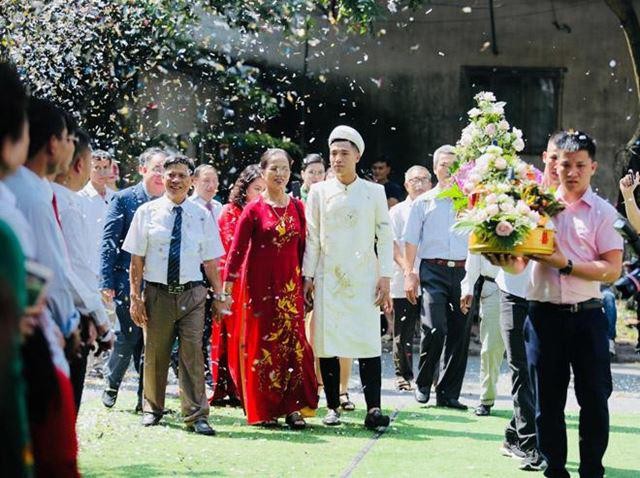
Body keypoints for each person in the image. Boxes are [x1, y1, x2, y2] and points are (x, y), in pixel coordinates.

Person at [492, 131, 622, 478]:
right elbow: (519, 265)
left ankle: (592, 469)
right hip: (543, 316)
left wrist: (565, 264)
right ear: (554, 165)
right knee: (547, 402)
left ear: (593, 167)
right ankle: (555, 470)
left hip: (588, 318)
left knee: (594, 398)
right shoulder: (533, 210)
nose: (572, 172)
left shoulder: (603, 213)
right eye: (565, 164)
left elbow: (611, 269)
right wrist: (501, 256)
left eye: (580, 165)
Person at [3, 94, 81, 477]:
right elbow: (52, 270)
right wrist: (69, 325)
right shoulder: (31, 193)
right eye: (68, 137)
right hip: (33, 339)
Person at [124, 154, 227, 435]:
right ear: (163, 177)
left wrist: (219, 296)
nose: (175, 180)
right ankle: (152, 409)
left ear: (191, 181)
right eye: (170, 174)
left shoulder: (202, 216)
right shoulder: (147, 212)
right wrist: (136, 297)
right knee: (156, 352)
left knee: (192, 352)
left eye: (182, 175)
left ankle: (196, 415)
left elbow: (210, 262)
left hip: (193, 294)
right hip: (157, 293)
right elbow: (137, 259)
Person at [303, 125, 393, 429]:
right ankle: (332, 405)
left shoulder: (374, 192)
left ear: (357, 155)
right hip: (328, 277)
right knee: (327, 342)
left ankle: (374, 408)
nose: (337, 159)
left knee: (368, 341)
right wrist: (307, 276)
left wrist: (385, 275)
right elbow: (312, 236)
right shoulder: (318, 192)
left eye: (343, 153)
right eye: (333, 153)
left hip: (365, 276)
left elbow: (385, 233)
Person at [224, 149, 318, 428]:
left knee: (292, 347)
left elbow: (304, 249)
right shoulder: (254, 209)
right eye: (273, 168)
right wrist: (226, 288)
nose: (280, 174)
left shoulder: (298, 207)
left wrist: (308, 281)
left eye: (285, 169)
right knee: (263, 349)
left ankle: (293, 408)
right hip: (259, 291)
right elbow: (237, 251)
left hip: (290, 291)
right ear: (263, 172)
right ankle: (264, 410)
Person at [100, 147, 169, 411]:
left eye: (165, 169)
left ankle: (145, 397)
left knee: (151, 341)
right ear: (143, 170)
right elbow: (109, 241)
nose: (161, 175)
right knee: (128, 336)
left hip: (158, 282)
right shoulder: (124, 199)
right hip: (125, 278)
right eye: (156, 169)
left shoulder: (170, 202)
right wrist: (106, 279)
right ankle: (112, 382)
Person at [403, 144, 471, 409]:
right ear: (435, 168)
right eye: (444, 164)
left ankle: (449, 392)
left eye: (454, 165)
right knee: (435, 327)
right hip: (433, 269)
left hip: (464, 270)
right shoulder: (423, 202)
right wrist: (409, 273)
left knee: (460, 331)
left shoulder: (470, 200)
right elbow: (410, 241)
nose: (449, 170)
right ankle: (423, 384)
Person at [52, 129, 114, 409]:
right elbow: (72, 267)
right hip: (65, 311)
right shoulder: (67, 203)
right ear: (80, 166)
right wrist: (99, 320)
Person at [210, 164, 265, 405]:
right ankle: (236, 387)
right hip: (235, 285)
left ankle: (256, 388)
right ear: (244, 189)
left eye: (264, 188)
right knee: (234, 338)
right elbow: (228, 252)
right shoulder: (230, 212)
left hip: (261, 283)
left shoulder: (269, 210)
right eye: (256, 188)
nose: (261, 193)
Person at [389, 165, 431, 391]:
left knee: (432, 329)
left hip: (432, 278)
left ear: (431, 184)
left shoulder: (435, 208)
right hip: (403, 277)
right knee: (403, 330)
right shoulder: (396, 212)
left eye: (423, 179)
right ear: (405, 185)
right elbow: (392, 244)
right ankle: (403, 374)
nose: (419, 183)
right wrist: (408, 271)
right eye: (414, 179)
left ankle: (429, 376)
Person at [460, 253, 501, 416]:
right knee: (491, 347)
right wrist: (467, 288)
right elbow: (474, 254)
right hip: (493, 286)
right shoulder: (482, 227)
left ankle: (529, 401)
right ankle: (486, 398)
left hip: (527, 289)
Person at [78, 149, 115, 276]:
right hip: (87, 267)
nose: (102, 172)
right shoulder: (79, 198)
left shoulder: (115, 198)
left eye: (105, 167)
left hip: (110, 267)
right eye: (97, 167)